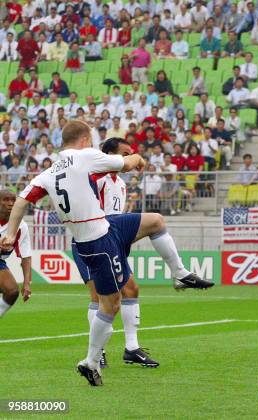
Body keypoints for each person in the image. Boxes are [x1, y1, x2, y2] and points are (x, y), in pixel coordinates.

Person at [0, 120, 214, 386]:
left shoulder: (49, 172)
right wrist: (137, 158)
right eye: (90, 139)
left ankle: (181, 274)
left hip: (104, 227)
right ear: (84, 140)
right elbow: (125, 163)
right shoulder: (84, 156)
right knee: (110, 304)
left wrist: (9, 233)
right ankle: (91, 361)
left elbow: (21, 200)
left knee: (156, 221)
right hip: (98, 241)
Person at [70, 138, 158, 369]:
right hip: (90, 241)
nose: (129, 156)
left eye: (131, 153)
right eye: (124, 153)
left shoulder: (119, 182)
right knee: (98, 297)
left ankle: (131, 348)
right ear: (108, 155)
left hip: (112, 241)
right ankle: (98, 353)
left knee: (131, 289)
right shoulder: (96, 178)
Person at [0, 190, 32, 319]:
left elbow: (26, 257)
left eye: (13, 200)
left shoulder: (21, 226)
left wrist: (26, 283)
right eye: (6, 200)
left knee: (12, 291)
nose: (10, 203)